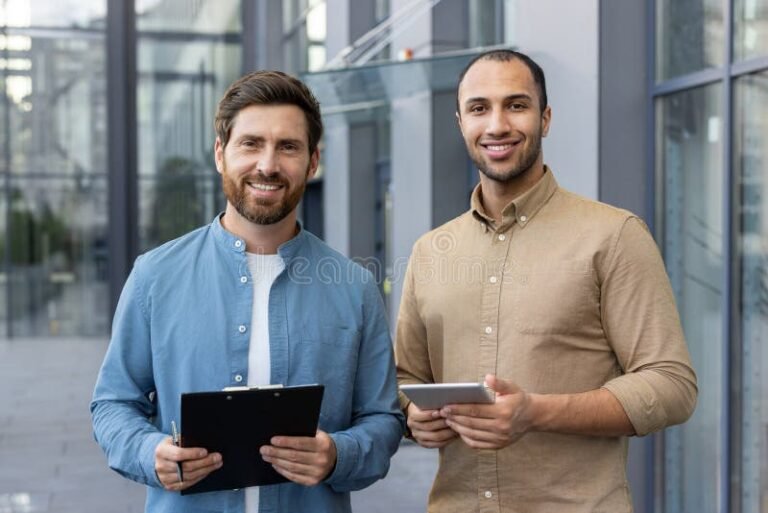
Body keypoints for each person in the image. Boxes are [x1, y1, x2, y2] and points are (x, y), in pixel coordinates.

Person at [395, 49, 698, 512]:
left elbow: (672, 385)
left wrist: (536, 412)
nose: (497, 124)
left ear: (546, 118)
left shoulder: (614, 236)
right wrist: (415, 416)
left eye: (516, 105)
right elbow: (405, 378)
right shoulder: (431, 251)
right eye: (479, 108)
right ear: (461, 123)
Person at [91, 70, 404, 513]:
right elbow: (112, 404)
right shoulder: (154, 276)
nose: (268, 165)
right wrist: (148, 452)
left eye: (288, 147)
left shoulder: (354, 287)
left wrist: (338, 454)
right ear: (221, 154)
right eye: (251, 143)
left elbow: (383, 419)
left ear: (313, 161)